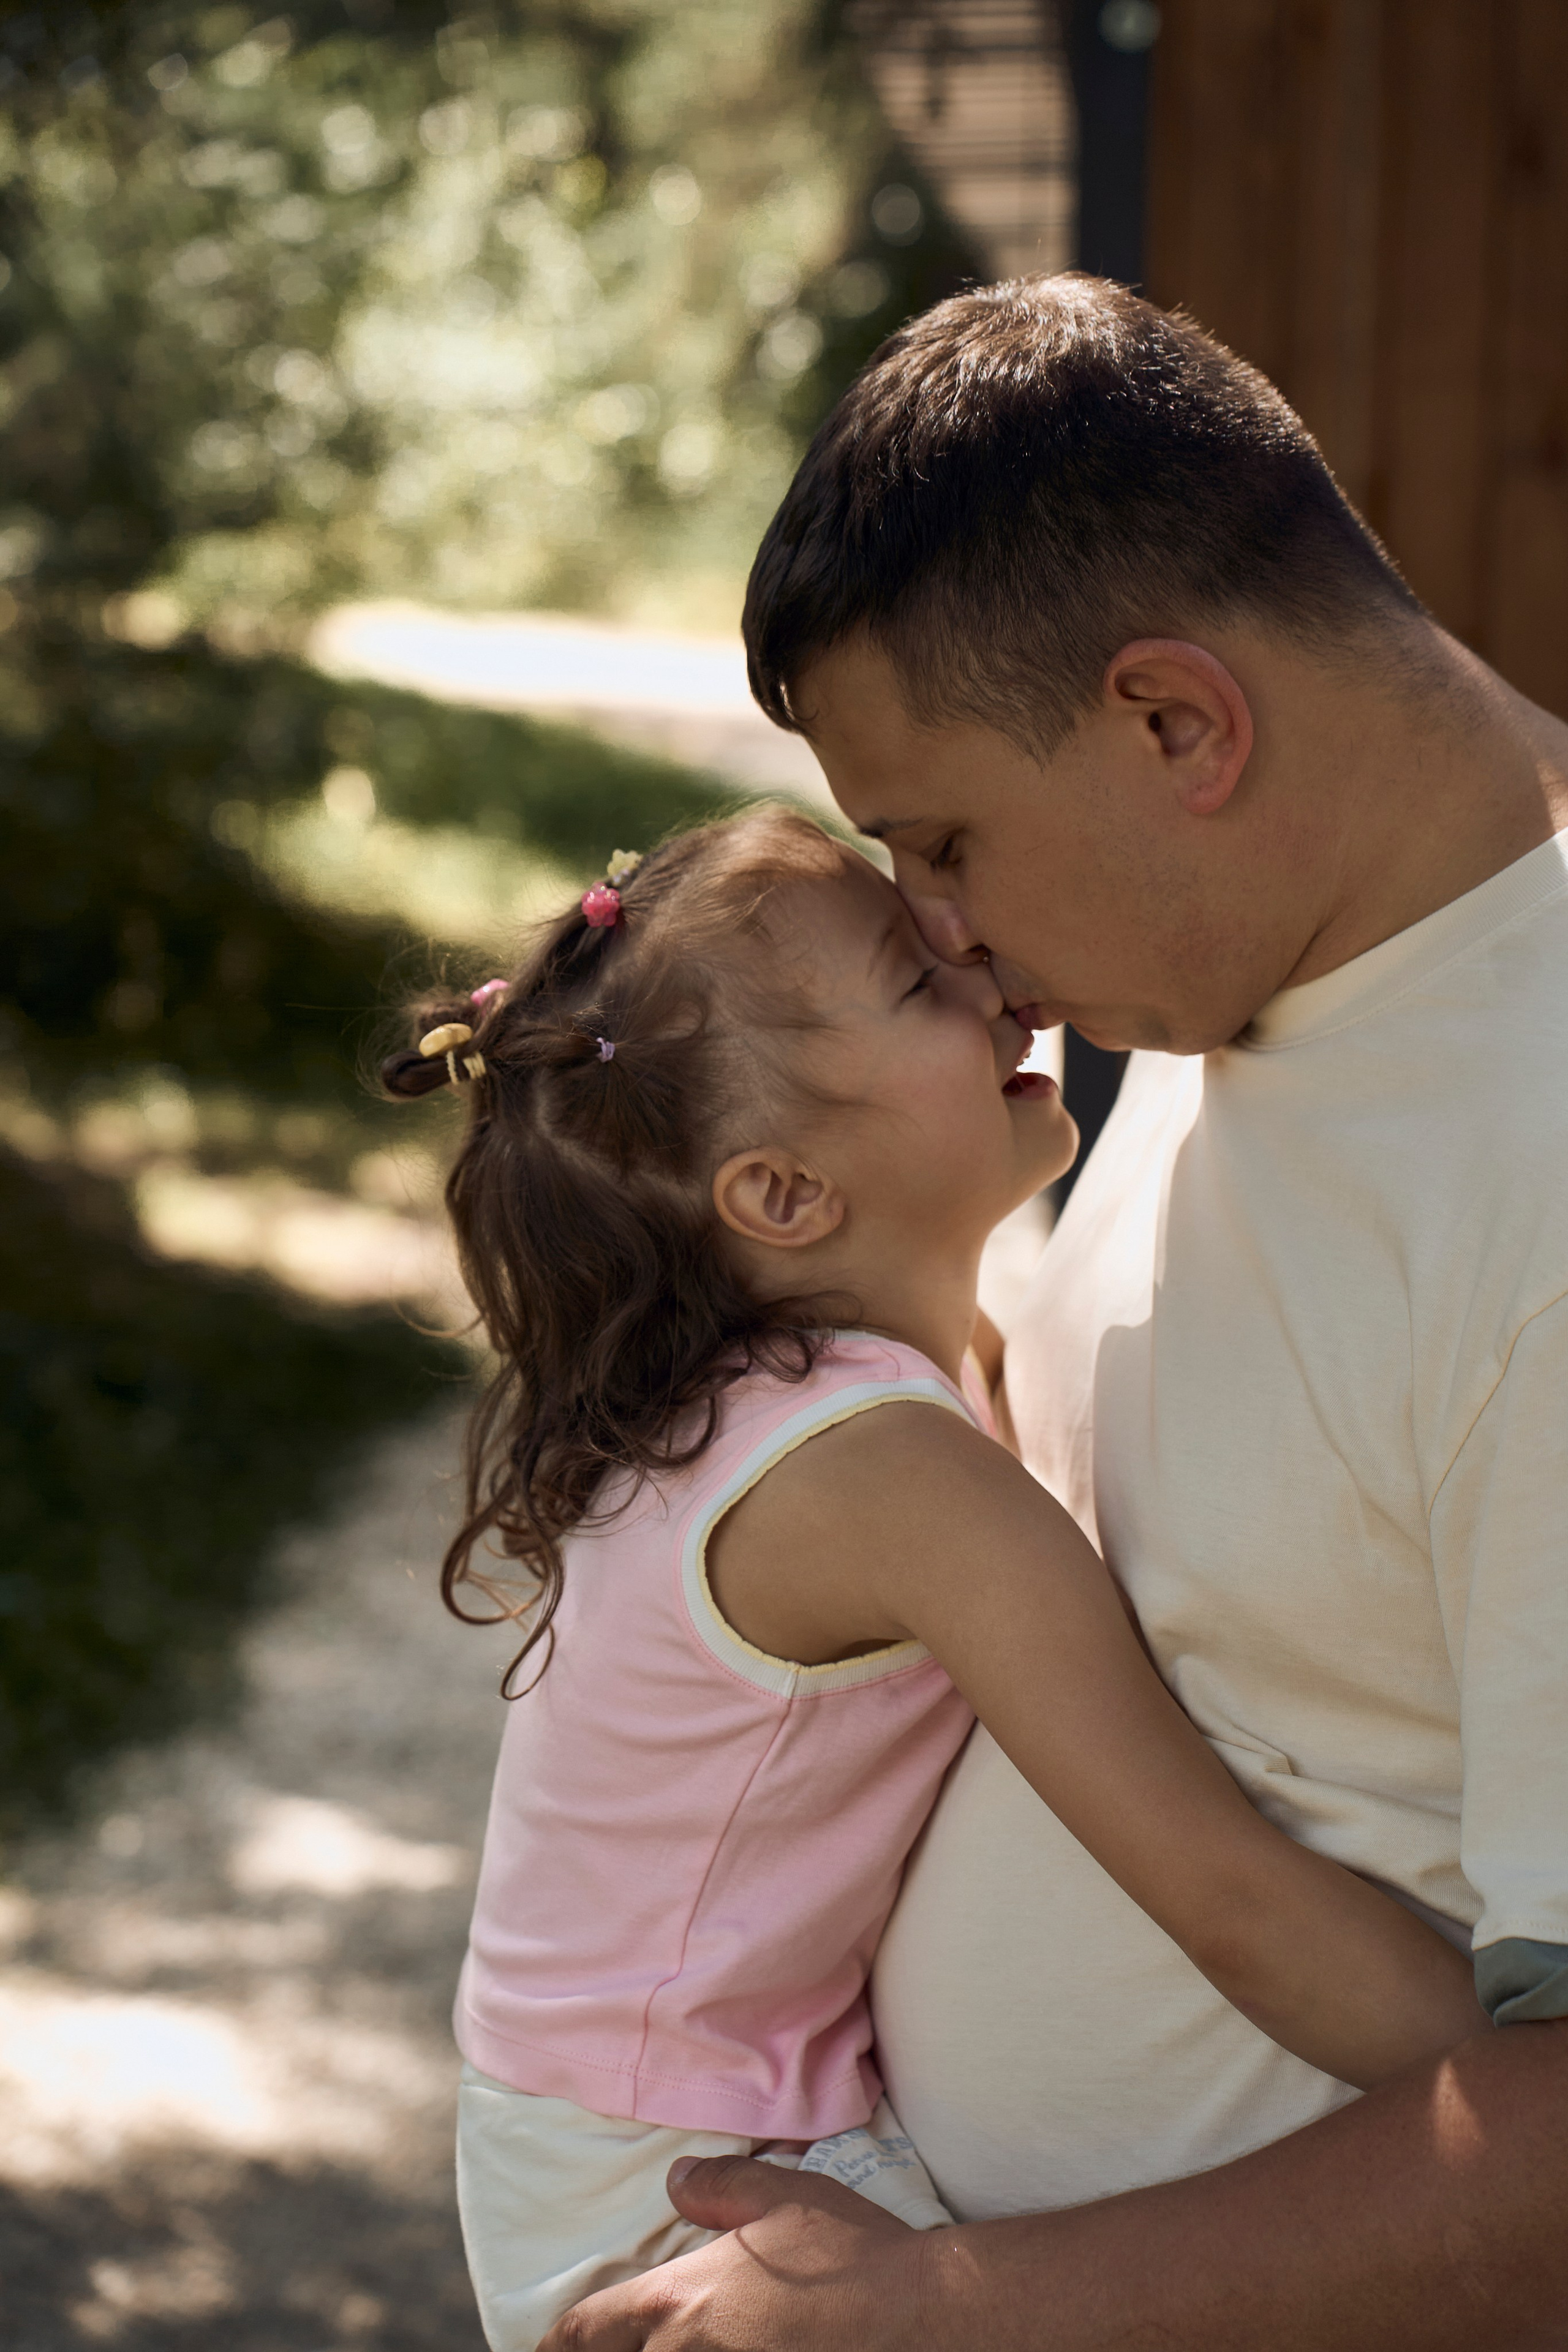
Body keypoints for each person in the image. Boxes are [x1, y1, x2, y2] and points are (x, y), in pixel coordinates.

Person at [542, 276, 1568, 2348]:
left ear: (1179, 723)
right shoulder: (1261, 955)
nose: (933, 932)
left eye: (940, 844)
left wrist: (958, 2311)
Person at [384, 807, 1486, 2352]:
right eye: (915, 984)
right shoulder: (885, 1477)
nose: (988, 979)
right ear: (781, 1196)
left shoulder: (841, 1391)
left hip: (622, 2128)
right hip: (681, 2192)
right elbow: (1225, 1898)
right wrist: (1514, 2123)